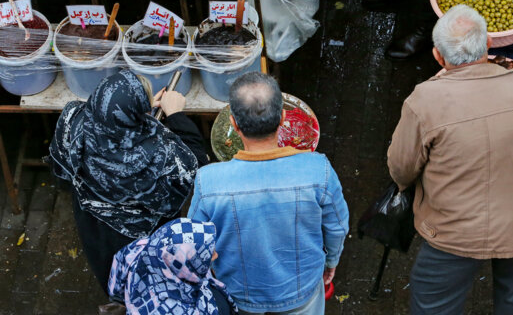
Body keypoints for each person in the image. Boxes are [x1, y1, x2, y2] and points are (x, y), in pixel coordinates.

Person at [387, 5, 513, 314]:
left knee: (433, 304)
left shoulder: (424, 100)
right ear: (489, 44)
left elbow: (401, 168)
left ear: (438, 56)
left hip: (453, 231)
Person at [189, 72, 349, 314]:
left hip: (238, 296)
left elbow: (195, 244)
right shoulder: (319, 170)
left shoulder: (208, 181)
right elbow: (337, 228)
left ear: (233, 124)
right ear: (283, 118)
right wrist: (331, 261)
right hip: (301, 293)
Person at [48, 70, 207, 293]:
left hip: (94, 222)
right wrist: (175, 115)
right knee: (143, 284)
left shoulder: (72, 117)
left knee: (110, 274)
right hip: (137, 238)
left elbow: (63, 166)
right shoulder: (156, 157)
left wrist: (142, 110)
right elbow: (193, 164)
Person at [107, 218, 239, 315]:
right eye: (205, 255)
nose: (216, 255)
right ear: (183, 268)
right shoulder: (197, 309)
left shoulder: (141, 252)